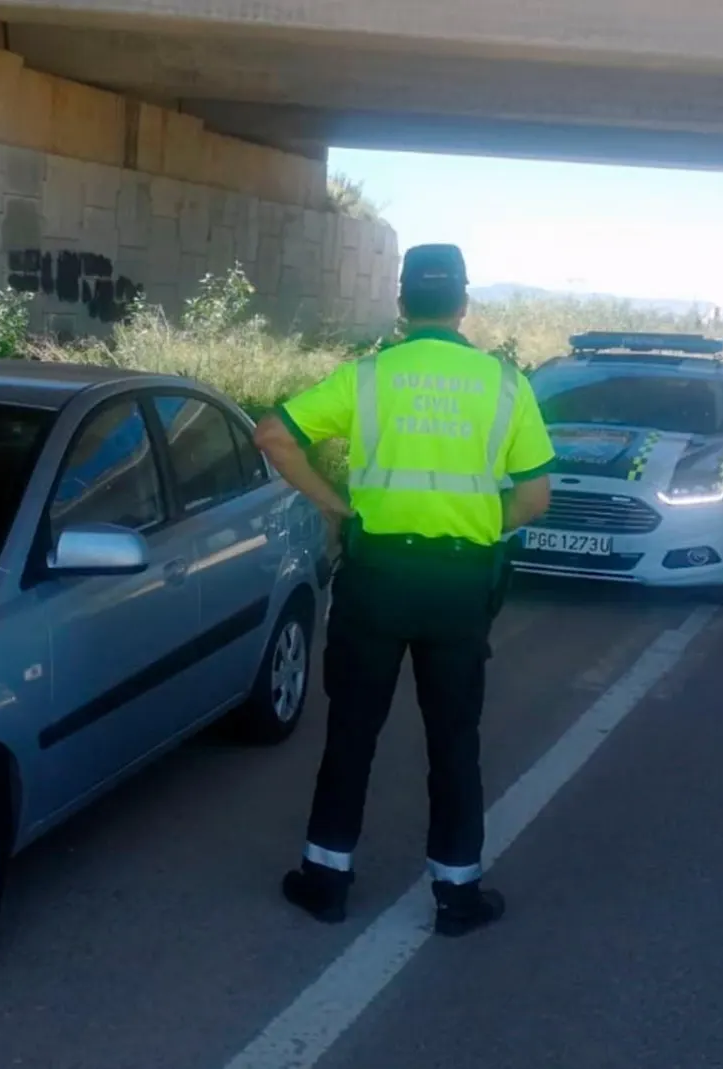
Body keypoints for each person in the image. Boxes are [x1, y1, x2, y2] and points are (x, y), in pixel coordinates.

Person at [252, 243, 556, 937]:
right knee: (454, 739)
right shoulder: (505, 384)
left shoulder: (368, 377)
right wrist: (479, 522)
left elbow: (273, 433)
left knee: (353, 731)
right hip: (458, 583)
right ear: (462, 305)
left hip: (377, 576)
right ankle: (457, 895)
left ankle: (325, 881)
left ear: (400, 305)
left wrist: (337, 505)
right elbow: (535, 497)